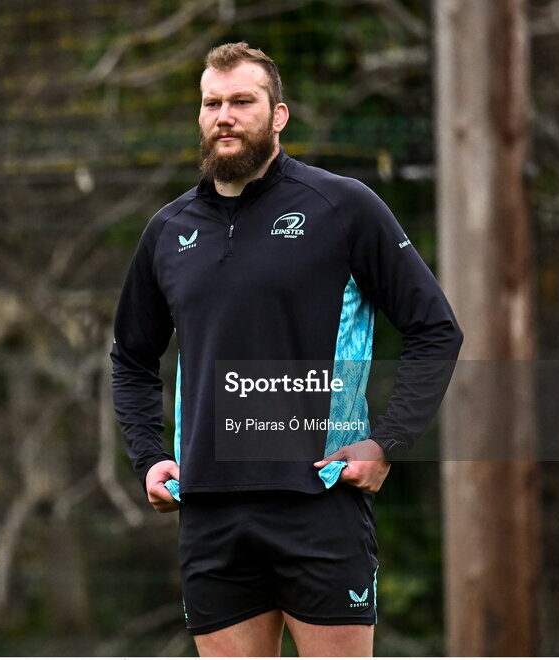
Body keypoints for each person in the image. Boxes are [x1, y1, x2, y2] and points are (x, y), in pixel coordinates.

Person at [111, 42, 462, 656]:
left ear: (278, 116)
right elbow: (131, 357)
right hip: (211, 513)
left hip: (318, 502)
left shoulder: (343, 207)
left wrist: (388, 443)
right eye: (212, 102)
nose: (225, 115)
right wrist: (148, 456)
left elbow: (435, 329)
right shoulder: (168, 232)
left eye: (242, 101)